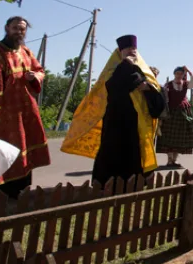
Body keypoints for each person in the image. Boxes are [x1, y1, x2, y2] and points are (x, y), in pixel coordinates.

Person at [62, 35, 165, 185]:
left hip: (137, 123)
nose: (131, 51)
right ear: (119, 51)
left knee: (135, 153)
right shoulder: (113, 69)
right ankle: (105, 186)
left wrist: (148, 88)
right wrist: (126, 65)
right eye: (127, 49)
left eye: (134, 48)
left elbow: (159, 98)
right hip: (116, 120)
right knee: (112, 152)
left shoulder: (145, 71)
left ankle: (133, 184)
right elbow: (113, 88)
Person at [0, 16, 50, 199]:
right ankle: (2, 191)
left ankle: (21, 188)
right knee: (3, 148)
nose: (19, 32)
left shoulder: (26, 51)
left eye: (22, 29)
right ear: (7, 28)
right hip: (4, 112)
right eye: (16, 28)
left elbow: (40, 71)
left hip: (25, 109)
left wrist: (35, 77)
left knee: (24, 146)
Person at [156, 66, 193, 167]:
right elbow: (163, 96)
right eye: (177, 73)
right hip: (171, 113)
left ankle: (174, 160)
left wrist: (188, 70)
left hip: (183, 113)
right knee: (168, 137)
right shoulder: (168, 84)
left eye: (181, 73)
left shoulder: (186, 84)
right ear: (174, 74)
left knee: (179, 138)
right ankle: (169, 160)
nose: (179, 75)